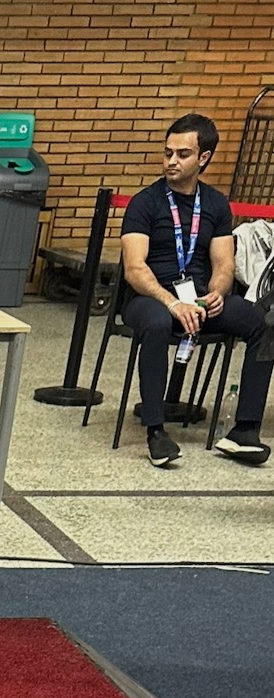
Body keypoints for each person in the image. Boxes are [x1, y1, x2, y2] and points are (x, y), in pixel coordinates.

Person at [120, 113, 271, 468]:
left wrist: (215, 293)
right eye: (168, 153)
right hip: (150, 298)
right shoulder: (145, 203)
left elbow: (224, 264)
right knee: (157, 323)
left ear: (203, 158)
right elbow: (134, 268)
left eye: (182, 154)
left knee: (263, 324)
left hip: (198, 301)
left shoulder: (215, 204)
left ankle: (244, 430)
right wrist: (173, 303)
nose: (171, 161)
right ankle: (156, 431)